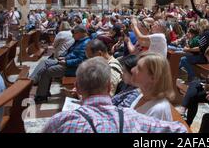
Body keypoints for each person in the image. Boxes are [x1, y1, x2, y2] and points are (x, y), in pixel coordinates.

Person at [43, 57, 187, 133]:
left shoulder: (60, 121)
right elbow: (179, 130)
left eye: (140, 68)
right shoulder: (133, 115)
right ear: (108, 86)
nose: (134, 70)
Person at [31, 25, 91, 103]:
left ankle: (40, 92)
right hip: (68, 64)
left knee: (48, 70)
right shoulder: (80, 41)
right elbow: (71, 53)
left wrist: (66, 62)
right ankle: (35, 83)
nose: (72, 35)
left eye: (74, 33)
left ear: (80, 33)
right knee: (45, 62)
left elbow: (81, 60)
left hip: (74, 68)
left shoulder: (86, 43)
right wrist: (64, 57)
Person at [130, 53, 175, 121]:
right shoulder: (143, 95)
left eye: (139, 68)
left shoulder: (158, 111)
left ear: (153, 78)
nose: (132, 70)